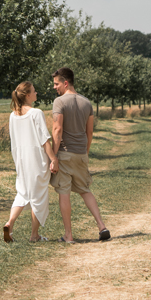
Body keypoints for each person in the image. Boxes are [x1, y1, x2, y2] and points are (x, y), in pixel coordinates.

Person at [50, 67, 110, 243]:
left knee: (64, 192)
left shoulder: (59, 102)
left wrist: (54, 157)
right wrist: (86, 152)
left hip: (65, 153)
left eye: (56, 83)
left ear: (65, 83)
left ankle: (68, 235)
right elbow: (89, 132)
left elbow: (57, 129)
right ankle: (102, 226)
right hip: (81, 153)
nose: (54, 87)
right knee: (85, 190)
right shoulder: (87, 103)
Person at [3, 81, 58, 243]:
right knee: (38, 196)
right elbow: (44, 141)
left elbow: (14, 140)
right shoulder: (36, 113)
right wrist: (53, 159)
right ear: (27, 95)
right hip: (36, 160)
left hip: (21, 160)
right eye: (34, 91)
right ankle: (34, 235)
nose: (36, 93)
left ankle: (10, 223)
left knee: (23, 193)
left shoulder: (13, 115)